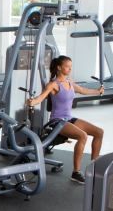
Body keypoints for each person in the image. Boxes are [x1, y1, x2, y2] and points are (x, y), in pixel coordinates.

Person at [26, 55, 105, 185]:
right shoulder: (53, 84)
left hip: (69, 118)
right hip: (57, 121)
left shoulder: (69, 83)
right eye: (67, 67)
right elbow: (41, 98)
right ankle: (76, 172)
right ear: (59, 67)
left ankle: (94, 166)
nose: (69, 69)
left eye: (70, 67)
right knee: (82, 136)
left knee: (99, 132)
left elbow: (83, 90)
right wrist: (31, 102)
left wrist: (98, 91)